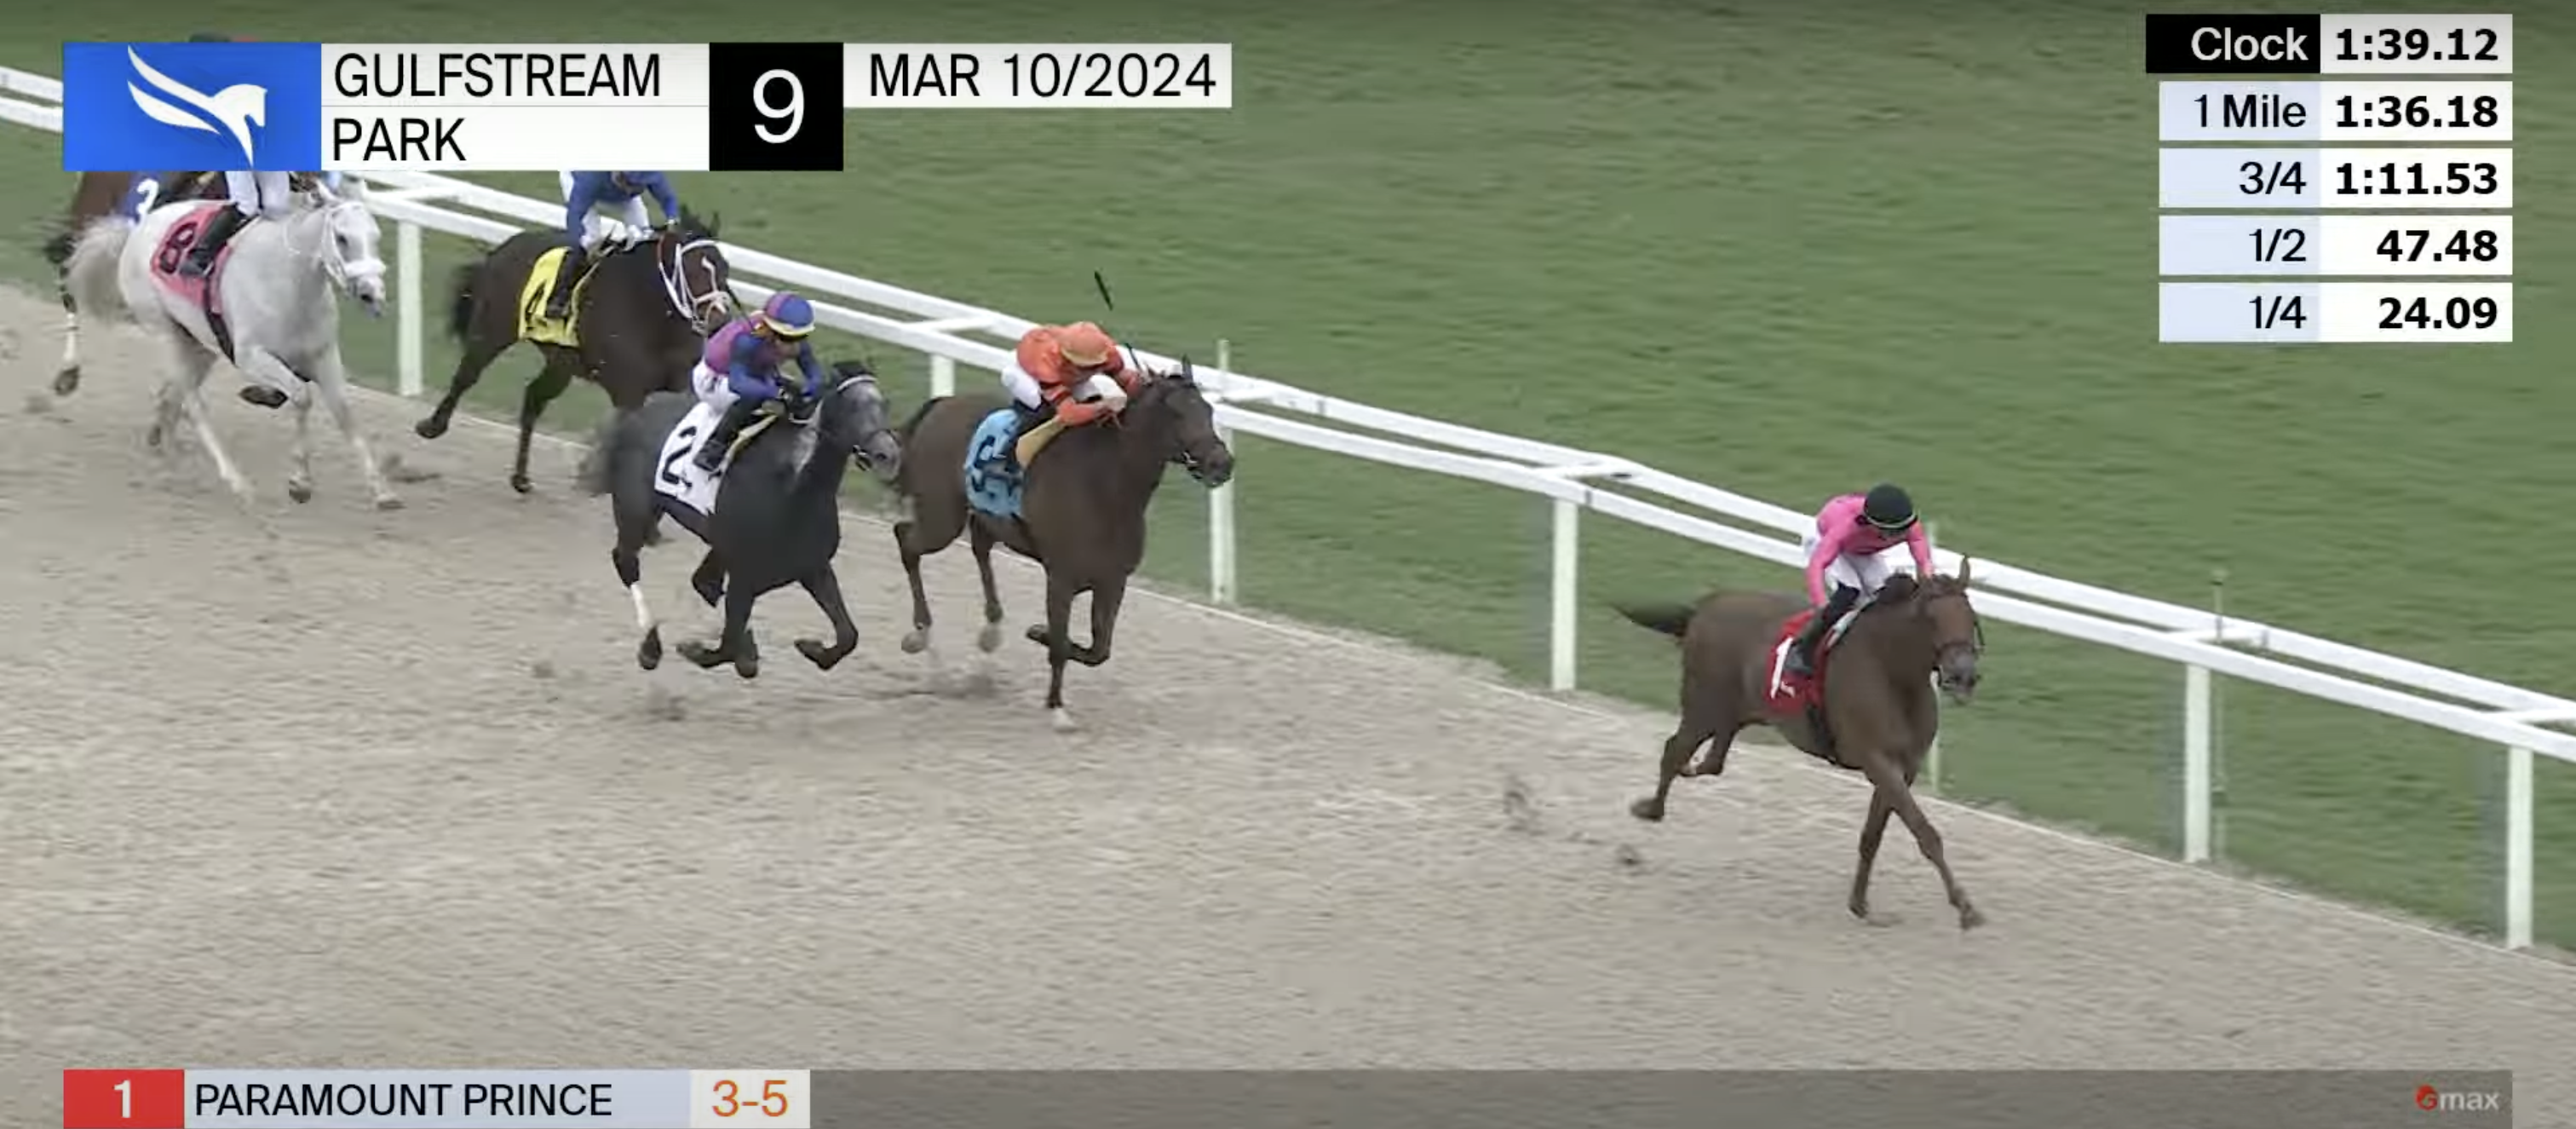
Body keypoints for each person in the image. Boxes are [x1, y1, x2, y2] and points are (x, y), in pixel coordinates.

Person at [1782, 482, 1936, 678]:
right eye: (1892, 532)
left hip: (1861, 549)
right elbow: (1817, 564)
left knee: (1887, 596)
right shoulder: (1846, 526)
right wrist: (1821, 603)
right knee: (1848, 593)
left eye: (1903, 530)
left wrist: (1927, 581)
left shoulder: (1908, 525)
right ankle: (1801, 649)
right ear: (1872, 523)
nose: (1899, 536)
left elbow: (1922, 557)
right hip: (1824, 540)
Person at [690, 291, 826, 472]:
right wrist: (774, 393)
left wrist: (812, 387)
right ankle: (713, 448)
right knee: (754, 397)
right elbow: (737, 383)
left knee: (794, 393)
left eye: (800, 338)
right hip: (716, 379)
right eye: (786, 338)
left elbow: (814, 373)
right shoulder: (747, 340)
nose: (794, 346)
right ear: (770, 329)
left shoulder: (793, 340)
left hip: (756, 372)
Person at [998, 320, 1137, 469]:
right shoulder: (1046, 363)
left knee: (1093, 402)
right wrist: (1104, 406)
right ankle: (1006, 458)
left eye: (1094, 366)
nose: (1088, 370)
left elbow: (1122, 377)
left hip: (1067, 377)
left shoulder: (1108, 353)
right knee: (1046, 411)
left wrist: (1139, 386)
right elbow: (1069, 415)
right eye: (1080, 366)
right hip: (1027, 374)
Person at [549, 170, 681, 321]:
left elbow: (668, 199)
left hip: (612, 188)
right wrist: (582, 241)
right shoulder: (591, 178)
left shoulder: (649, 173)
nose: (630, 190)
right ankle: (560, 297)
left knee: (643, 238)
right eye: (628, 183)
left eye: (637, 186)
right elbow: (575, 214)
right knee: (591, 238)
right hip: (576, 178)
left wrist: (673, 221)